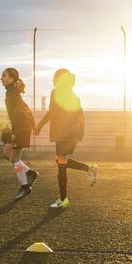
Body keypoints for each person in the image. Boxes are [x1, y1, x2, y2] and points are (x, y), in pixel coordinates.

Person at [35, 68, 98, 208]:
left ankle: (64, 200)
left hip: (63, 133)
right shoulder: (74, 95)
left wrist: (39, 126)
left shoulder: (56, 92)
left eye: (55, 77)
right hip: (71, 133)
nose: (53, 80)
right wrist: (81, 132)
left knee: (61, 162)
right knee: (59, 160)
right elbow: (81, 114)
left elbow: (52, 111)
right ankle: (89, 168)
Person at [1, 67, 39, 200]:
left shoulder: (12, 93)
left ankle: (25, 187)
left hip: (21, 128)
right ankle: (30, 173)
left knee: (15, 158)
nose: (2, 78)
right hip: (21, 127)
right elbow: (25, 108)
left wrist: (15, 131)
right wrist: (33, 124)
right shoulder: (12, 92)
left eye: (4, 76)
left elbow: (18, 112)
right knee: (7, 154)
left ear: (12, 79)